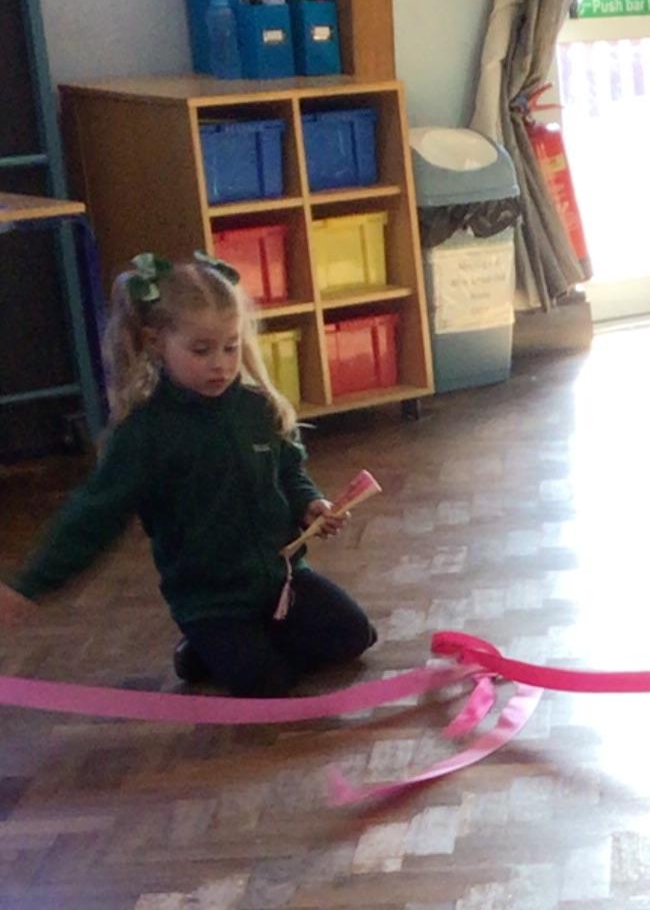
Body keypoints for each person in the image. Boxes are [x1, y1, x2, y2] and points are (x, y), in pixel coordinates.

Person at [0, 252, 372, 695]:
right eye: (201, 350)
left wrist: (310, 503)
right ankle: (207, 648)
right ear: (156, 342)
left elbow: (289, 470)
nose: (221, 364)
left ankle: (235, 649)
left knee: (355, 636)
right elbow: (92, 516)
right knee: (266, 684)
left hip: (282, 581)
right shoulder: (145, 433)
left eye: (231, 347)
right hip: (211, 602)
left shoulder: (256, 409)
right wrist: (30, 584)